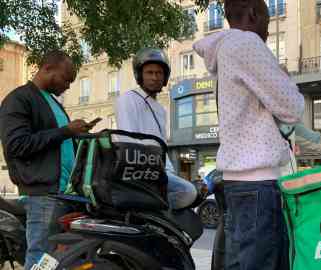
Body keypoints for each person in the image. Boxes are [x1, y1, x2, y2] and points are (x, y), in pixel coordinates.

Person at [193, 0, 305, 269]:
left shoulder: (225, 50)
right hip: (258, 184)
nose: (267, 28)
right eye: (268, 18)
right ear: (254, 14)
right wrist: (282, 78)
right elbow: (292, 108)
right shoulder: (246, 44)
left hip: (238, 184)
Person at [0, 50, 98, 270]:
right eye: (66, 78)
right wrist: (66, 131)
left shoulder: (53, 103)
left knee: (57, 261)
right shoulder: (19, 99)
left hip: (64, 193)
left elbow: (58, 143)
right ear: (47, 69)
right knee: (40, 257)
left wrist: (79, 134)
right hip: (44, 194)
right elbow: (17, 145)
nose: (68, 85)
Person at [115, 48, 198, 210]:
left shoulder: (160, 109)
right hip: (141, 170)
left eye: (159, 73)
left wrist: (171, 173)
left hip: (160, 170)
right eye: (149, 72)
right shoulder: (127, 100)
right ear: (140, 75)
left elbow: (161, 147)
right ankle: (153, 215)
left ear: (165, 77)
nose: (154, 77)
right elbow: (128, 141)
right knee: (187, 191)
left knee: (193, 193)